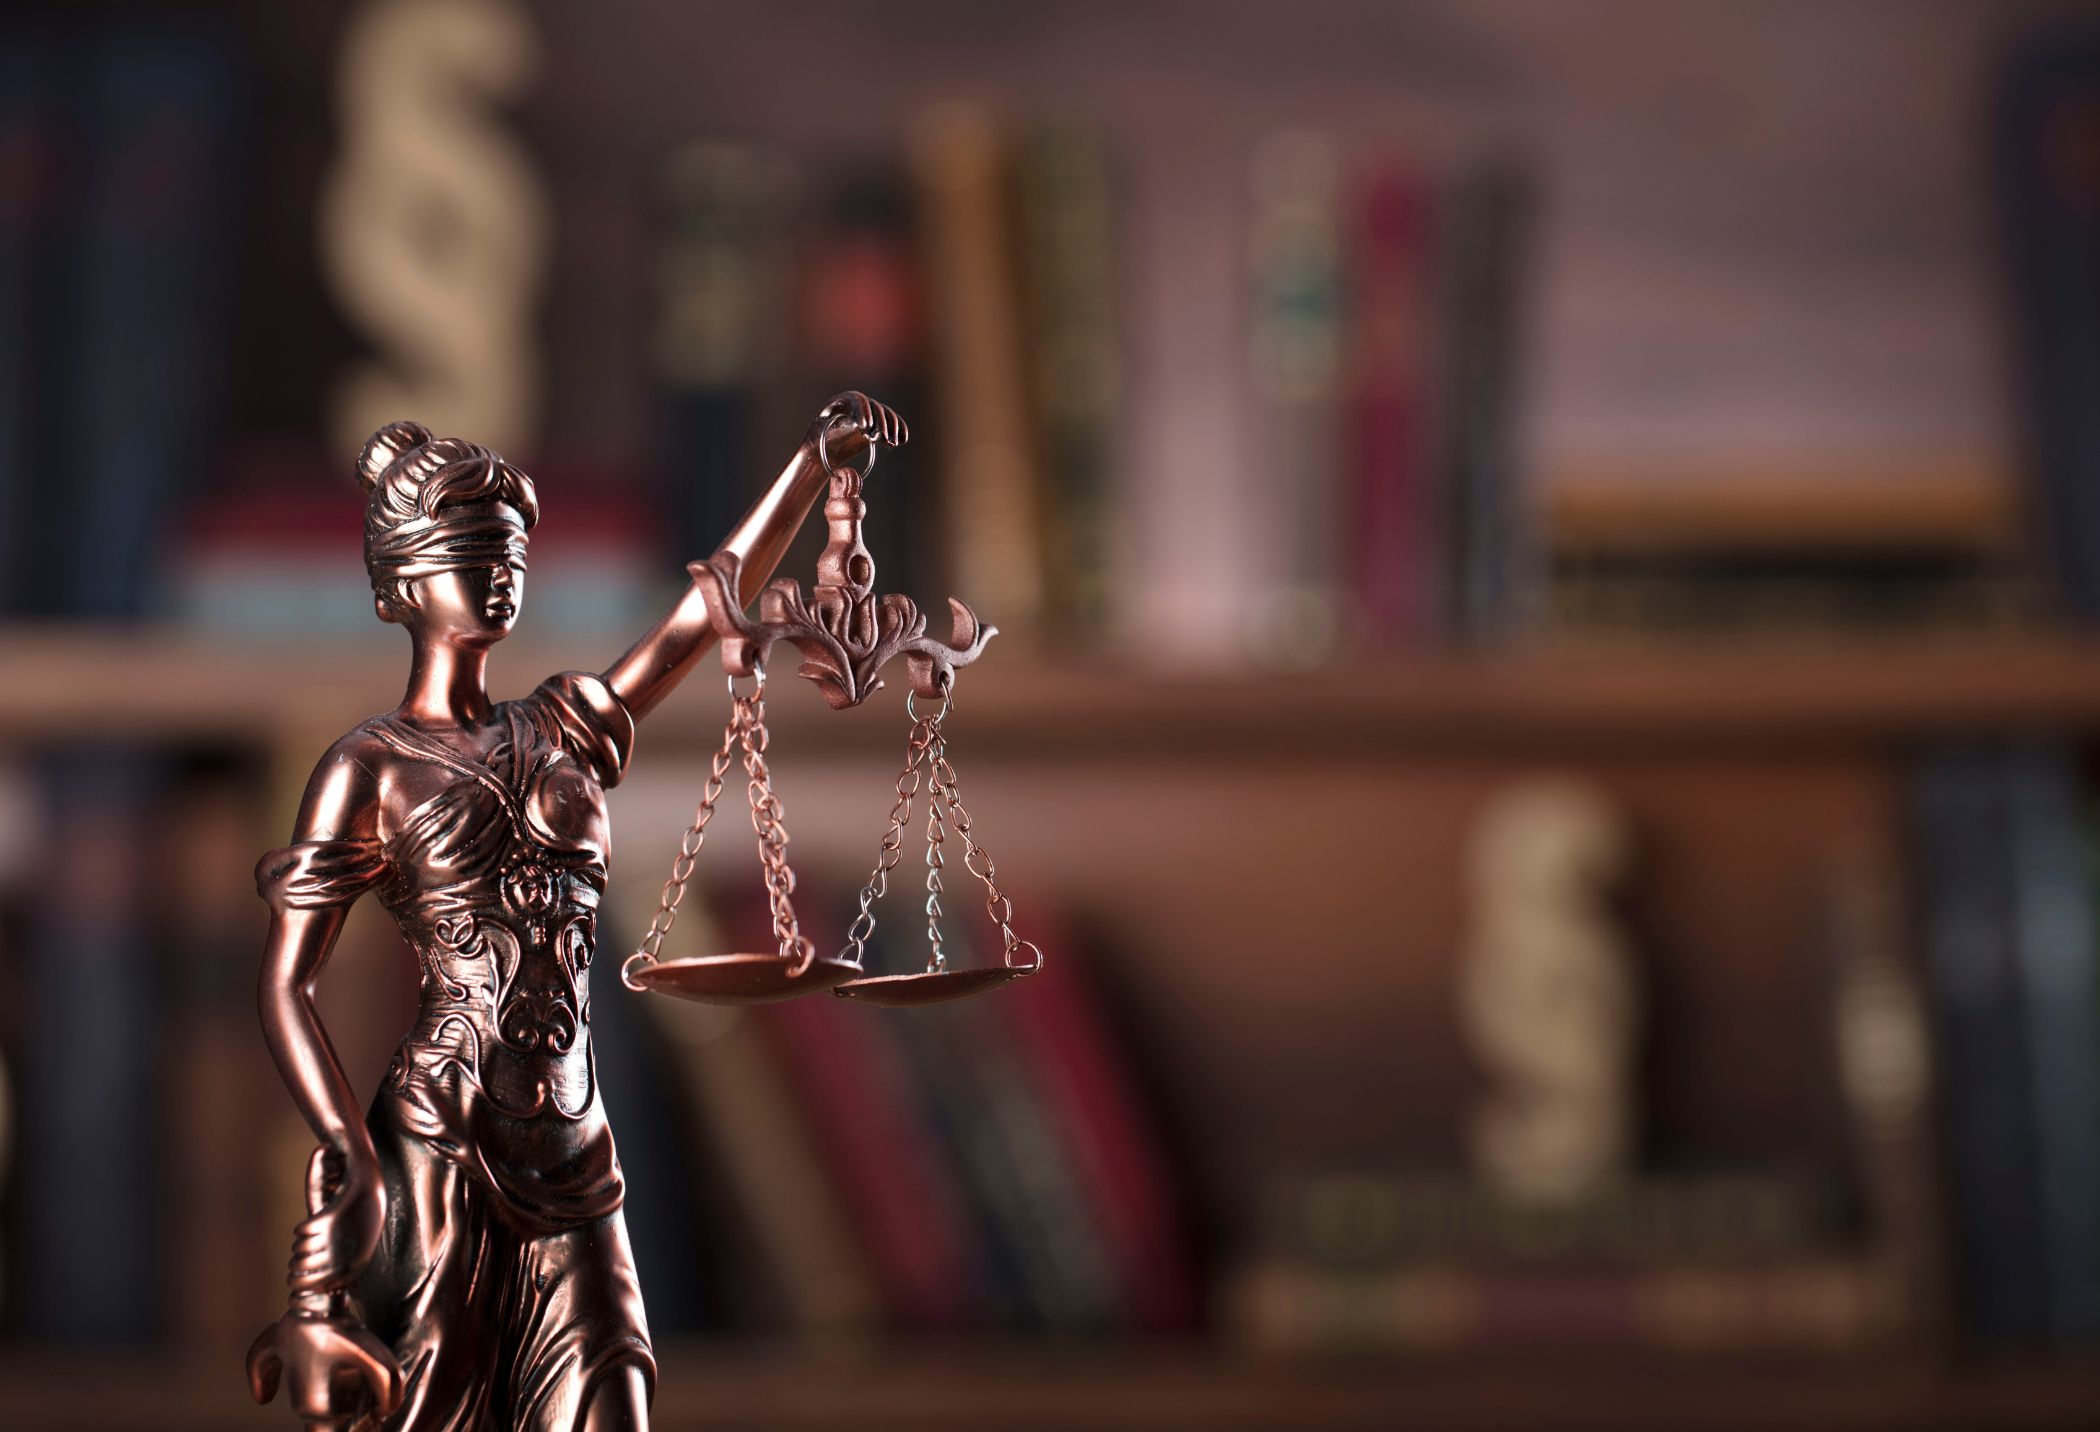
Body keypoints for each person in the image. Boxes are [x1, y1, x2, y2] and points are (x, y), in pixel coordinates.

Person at [245, 396, 905, 1431]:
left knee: (611, 1399)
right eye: (473, 550)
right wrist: (347, 1147)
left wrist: (814, 468)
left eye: (511, 550)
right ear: (404, 583)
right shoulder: (368, 768)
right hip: (443, 1148)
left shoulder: (562, 725)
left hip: (573, 1146)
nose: (501, 570)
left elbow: (707, 609)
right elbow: (287, 982)